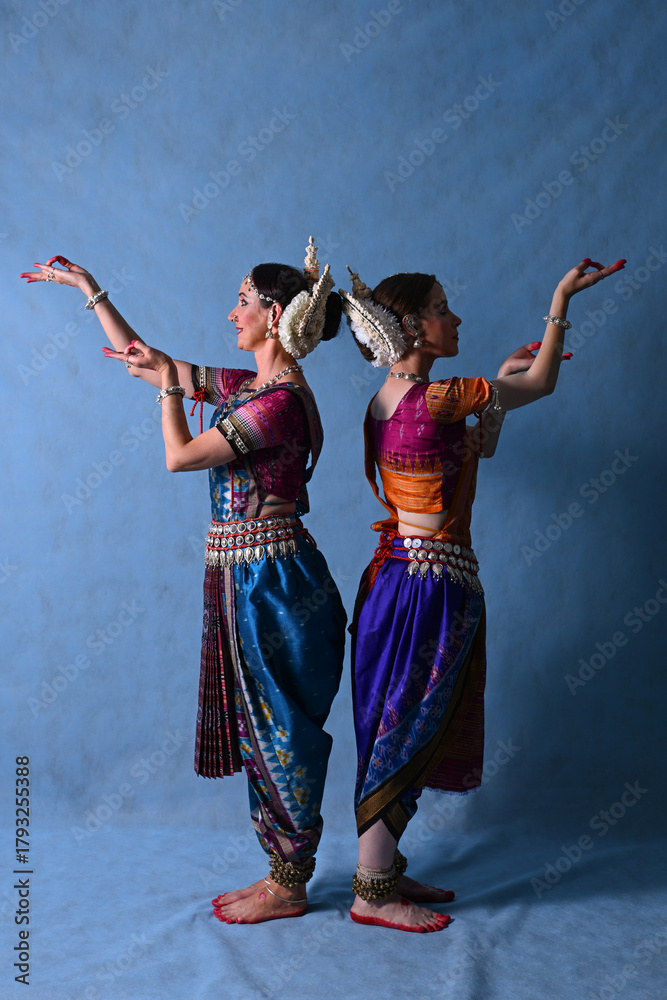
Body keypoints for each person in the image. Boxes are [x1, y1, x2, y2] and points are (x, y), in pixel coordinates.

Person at [20, 240, 347, 924]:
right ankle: (279, 872)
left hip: (276, 582)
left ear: (275, 313)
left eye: (242, 300)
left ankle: (290, 880)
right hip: (244, 575)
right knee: (261, 723)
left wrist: (169, 390)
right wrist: (92, 289)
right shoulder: (251, 388)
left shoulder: (280, 403)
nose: (231, 313)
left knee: (279, 723)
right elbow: (153, 359)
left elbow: (179, 456)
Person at [339, 255, 626, 932]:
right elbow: (545, 382)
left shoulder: (384, 402)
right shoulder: (438, 397)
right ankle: (371, 893)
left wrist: (496, 385)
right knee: (405, 724)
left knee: (404, 718)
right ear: (409, 326)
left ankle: (382, 867)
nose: (455, 317)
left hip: (396, 578)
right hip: (426, 589)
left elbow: (473, 449)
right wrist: (559, 301)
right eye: (441, 308)